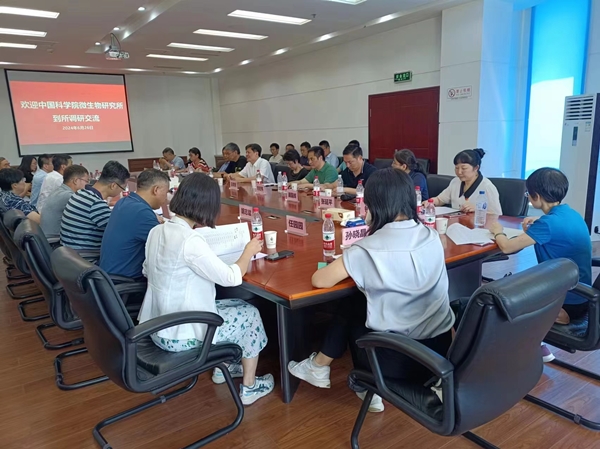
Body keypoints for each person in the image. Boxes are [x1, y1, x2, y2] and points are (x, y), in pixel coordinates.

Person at [288, 168, 454, 412]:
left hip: (397, 362)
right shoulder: (431, 235)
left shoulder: (366, 249)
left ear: (373, 205)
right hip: (439, 355)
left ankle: (355, 381)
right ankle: (320, 367)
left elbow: (320, 280)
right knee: (359, 299)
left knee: (352, 302)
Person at [138, 173, 274, 405]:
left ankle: (223, 369)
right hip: (178, 334)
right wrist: (248, 251)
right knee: (250, 315)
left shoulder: (156, 231)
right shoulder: (190, 241)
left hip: (156, 325)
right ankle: (250, 387)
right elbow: (232, 277)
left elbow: (146, 270)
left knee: (238, 304)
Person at [489, 168, 591, 362]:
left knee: (502, 299)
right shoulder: (571, 214)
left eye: (528, 193)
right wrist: (540, 220)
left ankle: (525, 349)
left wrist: (497, 230)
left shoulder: (547, 225)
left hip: (566, 300)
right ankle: (536, 344)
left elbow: (507, 247)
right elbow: (556, 227)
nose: (528, 197)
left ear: (536, 196)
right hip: (581, 296)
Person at [100, 169, 169, 280]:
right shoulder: (142, 213)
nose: (166, 198)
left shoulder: (124, 202)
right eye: (166, 193)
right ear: (156, 190)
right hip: (126, 281)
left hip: (109, 275)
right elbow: (167, 246)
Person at [60, 161, 130, 252]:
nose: (122, 191)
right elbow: (122, 232)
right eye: (122, 188)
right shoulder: (95, 203)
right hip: (87, 257)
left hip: (70, 254)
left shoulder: (80, 193)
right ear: (113, 185)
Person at [428, 148, 501, 215]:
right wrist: (429, 203)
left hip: (477, 224)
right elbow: (439, 200)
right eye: (457, 168)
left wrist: (478, 210)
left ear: (476, 168)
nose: (459, 172)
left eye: (464, 168)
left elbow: (498, 215)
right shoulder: (455, 182)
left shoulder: (487, 187)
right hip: (456, 223)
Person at [40, 165, 89, 237]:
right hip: (55, 239)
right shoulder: (69, 196)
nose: (87, 185)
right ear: (75, 181)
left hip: (47, 237)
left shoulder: (58, 191)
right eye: (86, 181)